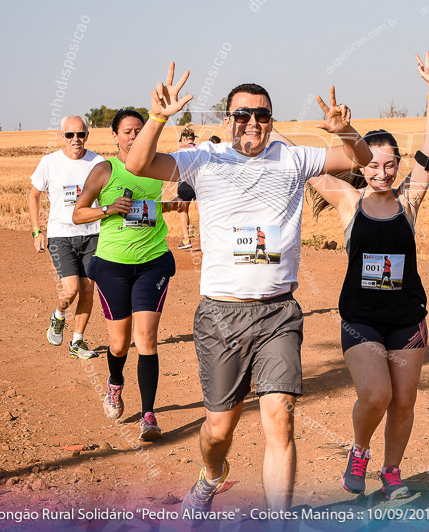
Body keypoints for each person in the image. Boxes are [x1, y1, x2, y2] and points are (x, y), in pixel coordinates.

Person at [125, 62, 372, 515]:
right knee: (219, 431)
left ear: (271, 121)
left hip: (278, 312)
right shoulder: (204, 159)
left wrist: (346, 130)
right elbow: (138, 163)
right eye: (242, 114)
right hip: (221, 315)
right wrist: (158, 118)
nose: (252, 123)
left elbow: (360, 160)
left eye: (262, 115)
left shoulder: (293, 159)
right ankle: (211, 475)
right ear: (227, 120)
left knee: (280, 417)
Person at [307, 51, 429, 500]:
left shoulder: (410, 201)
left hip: (407, 319)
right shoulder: (348, 200)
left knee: (404, 402)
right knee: (376, 395)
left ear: (399, 165)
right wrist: (256, 131)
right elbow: (297, 163)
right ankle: (360, 450)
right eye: (372, 165)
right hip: (361, 318)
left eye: (390, 165)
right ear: (359, 165)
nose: (382, 173)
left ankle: (392, 470)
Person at [72, 109, 185, 440]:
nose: (134, 136)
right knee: (119, 344)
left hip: (153, 261)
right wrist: (108, 209)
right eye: (128, 132)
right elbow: (78, 213)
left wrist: (170, 206)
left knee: (146, 338)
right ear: (115, 136)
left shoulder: (158, 167)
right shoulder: (105, 170)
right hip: (112, 265)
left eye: (140, 130)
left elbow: (146, 210)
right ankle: (115, 383)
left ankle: (148, 415)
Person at [28, 115, 105, 359]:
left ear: (87, 136)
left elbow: (105, 200)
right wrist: (36, 230)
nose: (75, 139)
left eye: (80, 134)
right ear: (62, 136)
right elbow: (33, 195)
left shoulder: (99, 162)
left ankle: (77, 341)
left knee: (88, 290)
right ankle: (58, 315)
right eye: (70, 134)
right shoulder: (49, 163)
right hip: (61, 234)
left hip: (92, 233)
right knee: (71, 289)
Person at [175, 128, 197, 249]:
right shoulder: (200, 149)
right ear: (193, 138)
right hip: (198, 182)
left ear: (183, 138)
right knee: (201, 212)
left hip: (184, 183)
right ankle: (206, 239)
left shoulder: (180, 150)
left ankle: (186, 240)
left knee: (183, 210)